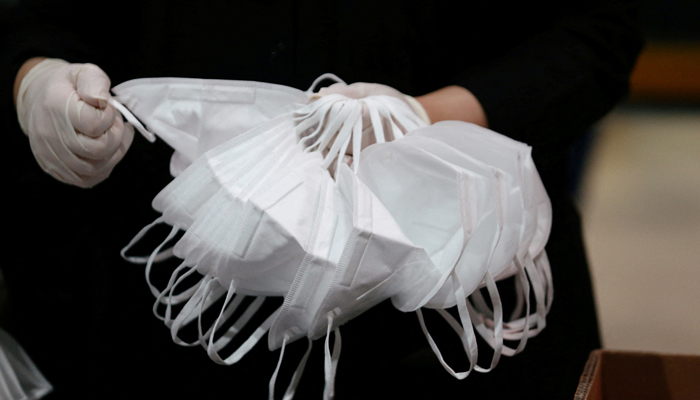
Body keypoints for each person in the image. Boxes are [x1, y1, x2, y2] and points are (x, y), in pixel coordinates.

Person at [0, 1, 644, 398]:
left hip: (453, 283)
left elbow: (595, 28)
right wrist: (34, 76)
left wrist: (428, 118)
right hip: (145, 293)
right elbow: (32, 16)